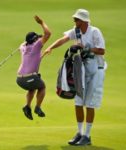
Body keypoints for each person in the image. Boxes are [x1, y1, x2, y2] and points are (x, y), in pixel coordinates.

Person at [43, 9, 106, 145]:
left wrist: (85, 48)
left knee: (89, 104)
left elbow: (101, 50)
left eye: (77, 19)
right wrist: (50, 48)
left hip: (96, 71)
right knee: (78, 103)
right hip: (81, 71)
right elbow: (63, 39)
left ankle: (87, 136)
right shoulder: (76, 31)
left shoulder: (95, 31)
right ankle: (79, 132)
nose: (75, 21)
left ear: (84, 21)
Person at [16, 15, 51, 120]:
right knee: (42, 87)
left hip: (19, 79)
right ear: (35, 40)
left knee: (32, 88)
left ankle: (27, 106)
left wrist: (44, 53)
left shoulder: (23, 47)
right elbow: (48, 34)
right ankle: (37, 107)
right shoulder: (36, 46)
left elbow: (32, 57)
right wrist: (41, 22)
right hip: (29, 77)